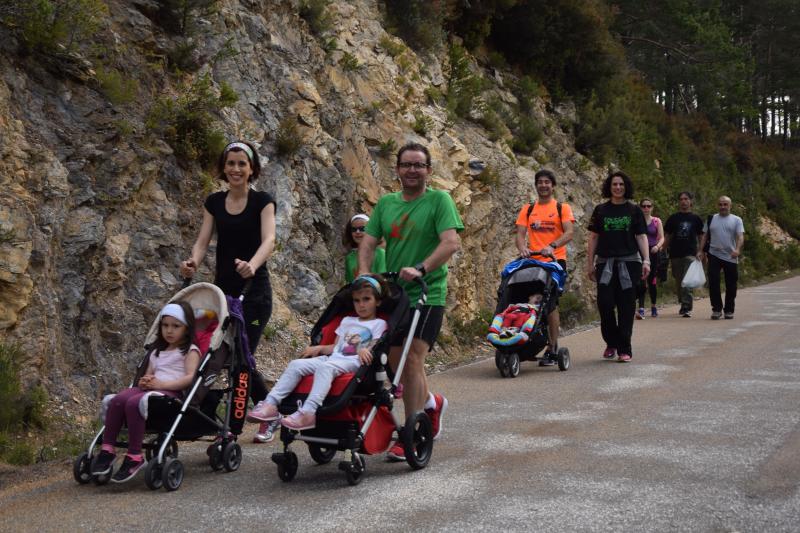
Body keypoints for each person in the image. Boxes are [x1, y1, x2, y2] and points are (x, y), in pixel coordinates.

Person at [358, 142, 463, 461]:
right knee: (395, 362)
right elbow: (368, 242)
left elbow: (451, 242)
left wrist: (421, 268)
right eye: (407, 164)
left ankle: (411, 433)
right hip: (394, 294)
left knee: (413, 357)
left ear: (428, 170)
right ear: (398, 169)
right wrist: (364, 273)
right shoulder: (386, 204)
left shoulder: (439, 200)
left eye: (419, 165)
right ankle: (431, 404)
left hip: (427, 292)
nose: (412, 170)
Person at [179, 140, 277, 443]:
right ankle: (268, 409)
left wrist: (252, 265)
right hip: (223, 294)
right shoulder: (214, 202)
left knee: (242, 358)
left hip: (254, 292)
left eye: (241, 164)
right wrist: (193, 262)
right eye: (231, 163)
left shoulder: (263, 201)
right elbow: (203, 240)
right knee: (218, 354)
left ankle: (240, 425)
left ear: (252, 168)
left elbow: (269, 239)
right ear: (224, 167)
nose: (236, 169)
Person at [245, 275, 388, 430]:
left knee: (325, 368)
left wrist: (365, 349)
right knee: (296, 364)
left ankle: (308, 412)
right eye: (357, 300)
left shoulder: (379, 323)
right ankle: (270, 404)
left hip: (354, 362)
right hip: (334, 358)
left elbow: (376, 346)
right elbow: (336, 347)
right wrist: (318, 348)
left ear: (378, 302)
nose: (361, 305)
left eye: (366, 299)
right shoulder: (347, 321)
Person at [91, 302, 201, 482]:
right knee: (117, 399)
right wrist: (145, 380)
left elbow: (190, 378)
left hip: (171, 393)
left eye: (176, 326)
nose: (169, 331)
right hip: (151, 390)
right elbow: (149, 373)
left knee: (134, 402)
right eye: (165, 325)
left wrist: (162, 384)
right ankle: (107, 449)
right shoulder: (157, 351)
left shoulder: (190, 351)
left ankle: (135, 455)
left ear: (187, 328)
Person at [586, 171, 650, 363]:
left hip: (629, 264)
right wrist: (590, 263)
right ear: (609, 186)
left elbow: (641, 236)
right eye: (614, 184)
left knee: (626, 306)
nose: (618, 187)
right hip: (605, 263)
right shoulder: (600, 210)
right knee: (605, 304)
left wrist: (646, 260)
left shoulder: (634, 210)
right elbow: (594, 237)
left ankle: (624, 348)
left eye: (621, 184)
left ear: (626, 187)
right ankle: (611, 342)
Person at [514, 169, 575, 365]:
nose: (543, 185)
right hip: (533, 261)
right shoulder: (528, 209)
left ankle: (553, 346)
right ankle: (527, 341)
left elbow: (569, 232)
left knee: (550, 303)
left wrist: (553, 246)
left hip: (555, 262)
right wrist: (522, 248)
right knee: (527, 299)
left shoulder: (562, 208)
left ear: (553, 186)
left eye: (547, 182)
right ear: (536, 185)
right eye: (540, 182)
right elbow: (520, 234)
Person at [698, 196, 744, 320]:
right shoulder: (711, 219)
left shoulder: (736, 220)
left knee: (731, 284)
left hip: (730, 256)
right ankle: (716, 309)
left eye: (725, 204)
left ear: (730, 205)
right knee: (713, 283)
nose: (722, 207)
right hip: (713, 255)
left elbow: (740, 236)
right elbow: (705, 236)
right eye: (720, 204)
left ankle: (729, 310)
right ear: (717, 205)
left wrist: (737, 249)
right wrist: (700, 250)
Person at [663, 192, 704, 317]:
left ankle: (686, 306)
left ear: (690, 201)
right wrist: (663, 249)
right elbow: (667, 236)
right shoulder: (673, 218)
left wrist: (701, 251)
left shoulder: (696, 219)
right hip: (675, 254)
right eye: (681, 199)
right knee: (679, 281)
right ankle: (682, 302)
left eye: (686, 199)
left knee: (687, 281)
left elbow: (701, 236)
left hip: (690, 253)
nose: (683, 201)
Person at [635, 198, 665, 319]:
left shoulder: (656, 221)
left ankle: (653, 305)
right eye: (644, 206)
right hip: (640, 253)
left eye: (648, 206)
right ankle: (641, 308)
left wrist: (657, 246)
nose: (646, 208)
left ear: (652, 207)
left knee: (652, 280)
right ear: (640, 208)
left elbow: (662, 237)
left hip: (653, 252)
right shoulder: (637, 221)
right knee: (641, 280)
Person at [343, 214, 386, 282]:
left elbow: (384, 279)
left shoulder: (380, 254)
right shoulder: (349, 258)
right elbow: (350, 283)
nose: (357, 232)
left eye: (362, 229)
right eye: (354, 229)